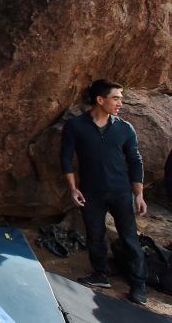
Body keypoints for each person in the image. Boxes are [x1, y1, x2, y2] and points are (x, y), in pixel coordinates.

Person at [61, 79, 147, 305]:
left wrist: (138, 194)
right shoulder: (76, 126)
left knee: (130, 239)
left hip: (121, 192)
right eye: (116, 98)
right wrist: (73, 188)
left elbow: (135, 161)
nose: (120, 103)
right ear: (100, 100)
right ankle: (100, 275)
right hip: (91, 193)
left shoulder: (125, 128)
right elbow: (66, 158)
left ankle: (139, 285)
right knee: (95, 236)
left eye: (121, 98)